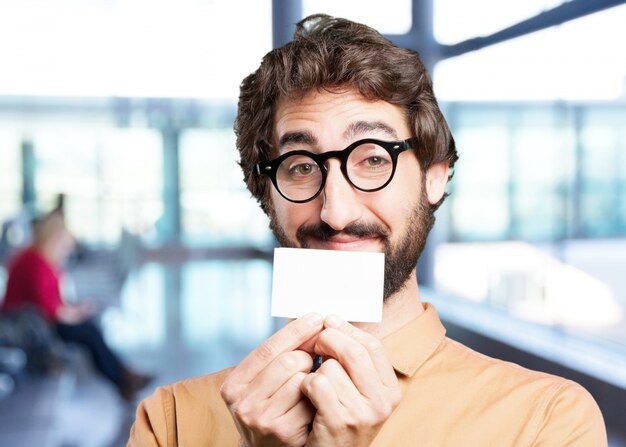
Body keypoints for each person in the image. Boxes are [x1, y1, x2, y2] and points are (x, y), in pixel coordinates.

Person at [127, 14, 607, 446]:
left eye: (374, 159)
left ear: (434, 175)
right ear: (265, 192)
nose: (335, 211)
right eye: (300, 167)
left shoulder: (547, 420)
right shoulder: (171, 422)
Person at [1, 209, 151, 402]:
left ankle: (123, 375)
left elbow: (52, 302)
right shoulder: (35, 262)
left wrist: (76, 310)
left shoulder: (41, 259)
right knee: (89, 332)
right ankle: (122, 378)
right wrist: (75, 313)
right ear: (54, 239)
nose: (67, 251)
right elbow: (49, 310)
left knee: (90, 327)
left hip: (37, 319)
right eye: (65, 246)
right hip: (26, 325)